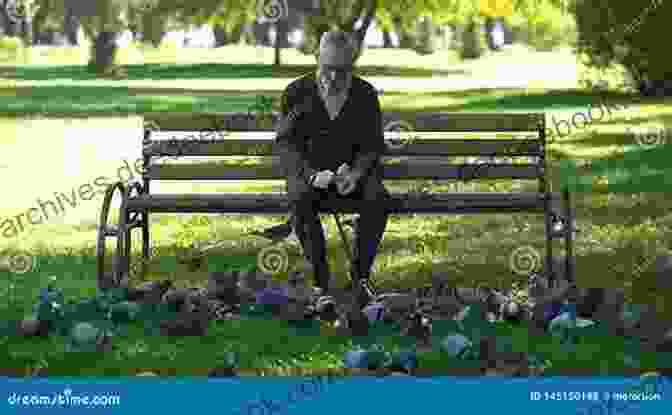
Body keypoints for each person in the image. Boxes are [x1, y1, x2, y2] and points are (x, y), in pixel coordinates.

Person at [274, 30, 389, 307]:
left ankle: (359, 277)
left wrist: (357, 173)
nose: (334, 77)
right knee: (300, 200)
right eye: (328, 68)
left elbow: (373, 145)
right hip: (309, 177)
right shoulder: (296, 92)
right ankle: (321, 280)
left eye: (343, 70)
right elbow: (287, 144)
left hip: (351, 178)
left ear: (353, 64)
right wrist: (310, 174)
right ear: (317, 59)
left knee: (378, 200)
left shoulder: (365, 93)